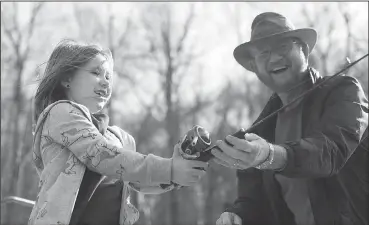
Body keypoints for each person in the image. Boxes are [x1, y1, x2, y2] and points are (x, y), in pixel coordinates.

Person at [28, 40, 208, 225]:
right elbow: (100, 154)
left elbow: (138, 181)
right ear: (67, 79)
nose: (105, 81)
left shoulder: (120, 138)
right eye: (96, 72)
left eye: (108, 76)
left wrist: (176, 174)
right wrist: (169, 168)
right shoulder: (61, 113)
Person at [212, 12, 368, 225]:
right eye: (264, 53)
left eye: (283, 47)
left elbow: (330, 152)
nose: (275, 58)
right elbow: (254, 202)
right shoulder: (259, 131)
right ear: (254, 67)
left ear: (303, 50)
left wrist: (270, 155)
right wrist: (238, 215)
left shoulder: (344, 92)